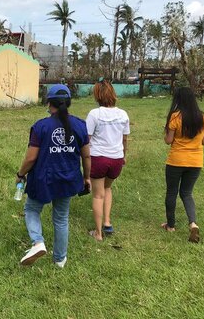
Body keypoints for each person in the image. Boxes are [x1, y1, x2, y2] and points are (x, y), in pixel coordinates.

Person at [16, 84, 91, 268]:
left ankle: (38, 242)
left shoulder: (41, 126)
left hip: (43, 179)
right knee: (61, 217)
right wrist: (86, 177)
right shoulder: (80, 125)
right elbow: (87, 155)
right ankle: (60, 259)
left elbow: (31, 157)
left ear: (49, 103)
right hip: (68, 179)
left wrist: (20, 174)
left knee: (32, 209)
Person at [162, 87, 204, 243]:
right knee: (187, 193)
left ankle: (170, 226)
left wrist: (166, 133)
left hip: (176, 161)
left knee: (172, 192)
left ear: (178, 99)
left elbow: (169, 140)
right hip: (196, 162)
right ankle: (193, 223)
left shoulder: (175, 116)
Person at [86, 80, 130, 241]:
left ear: (97, 95)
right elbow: (125, 139)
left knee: (98, 195)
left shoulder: (94, 114)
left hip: (98, 158)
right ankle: (107, 222)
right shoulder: (123, 114)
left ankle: (98, 233)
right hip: (117, 159)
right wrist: (124, 156)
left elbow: (87, 139)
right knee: (108, 188)